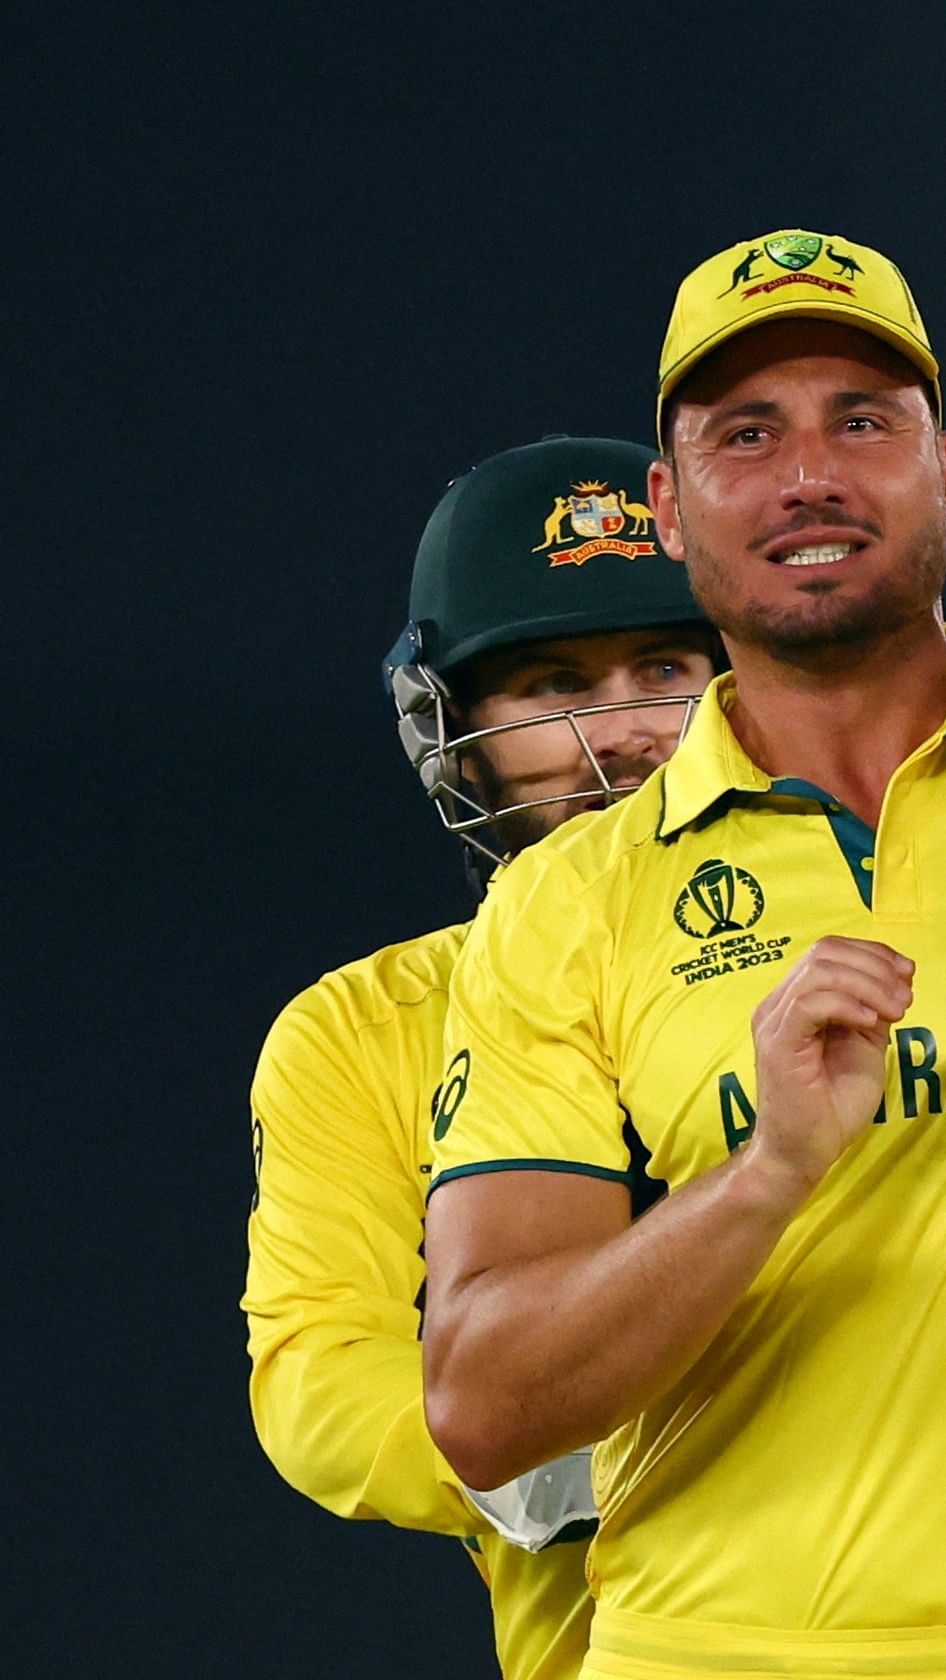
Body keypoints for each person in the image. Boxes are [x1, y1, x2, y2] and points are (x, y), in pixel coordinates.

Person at [420, 230, 946, 1680]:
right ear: (667, 507)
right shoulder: (569, 904)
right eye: (746, 434)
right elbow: (482, 1399)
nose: (809, 475)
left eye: (864, 420)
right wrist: (768, 1173)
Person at [245, 433, 721, 1680]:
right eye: (550, 684)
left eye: (663, 668)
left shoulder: (894, 936)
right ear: (455, 732)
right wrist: (535, 1450)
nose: (619, 733)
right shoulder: (363, 1030)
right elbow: (314, 1372)